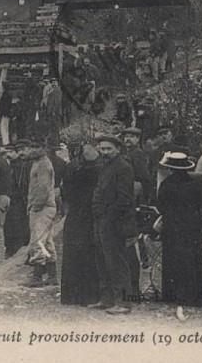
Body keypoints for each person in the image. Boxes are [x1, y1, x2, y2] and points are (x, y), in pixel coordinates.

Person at [156, 152, 202, 321]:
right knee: (194, 258)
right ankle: (198, 296)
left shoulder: (167, 184)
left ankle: (175, 294)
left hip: (173, 226)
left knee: (174, 258)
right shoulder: (196, 182)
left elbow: (160, 205)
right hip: (192, 226)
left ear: (170, 168)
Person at [89, 135, 135, 314]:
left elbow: (125, 199)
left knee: (117, 262)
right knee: (102, 261)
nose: (105, 152)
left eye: (109, 149)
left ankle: (123, 303)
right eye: (102, 149)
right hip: (101, 220)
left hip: (115, 222)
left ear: (118, 149)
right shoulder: (104, 166)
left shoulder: (123, 168)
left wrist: (109, 217)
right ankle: (107, 299)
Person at [60, 143, 101, 306]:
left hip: (75, 216)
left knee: (73, 254)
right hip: (89, 216)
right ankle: (89, 295)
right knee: (89, 254)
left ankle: (71, 296)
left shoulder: (72, 169)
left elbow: (67, 193)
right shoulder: (98, 170)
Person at [24, 141, 58, 287]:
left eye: (36, 146)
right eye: (32, 146)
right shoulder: (38, 162)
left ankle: (37, 277)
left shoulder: (43, 164)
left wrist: (35, 206)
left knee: (37, 241)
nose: (33, 149)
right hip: (43, 206)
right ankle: (52, 276)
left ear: (44, 148)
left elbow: (43, 189)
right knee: (47, 242)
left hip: (43, 207)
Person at [4, 141, 29, 258]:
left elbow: (21, 185)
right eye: (7, 152)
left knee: (18, 226)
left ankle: (18, 251)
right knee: (10, 225)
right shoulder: (11, 165)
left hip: (17, 201)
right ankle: (11, 249)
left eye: (11, 152)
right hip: (11, 200)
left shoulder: (19, 166)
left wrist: (15, 196)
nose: (8, 154)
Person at [121, 127, 152, 205]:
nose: (128, 139)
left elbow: (142, 175)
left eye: (131, 137)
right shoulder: (126, 152)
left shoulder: (138, 154)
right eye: (126, 137)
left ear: (137, 139)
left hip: (134, 188)